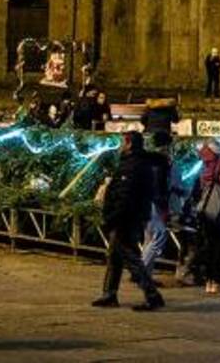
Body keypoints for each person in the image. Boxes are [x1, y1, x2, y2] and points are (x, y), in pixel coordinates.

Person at [93, 131, 166, 311]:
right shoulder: (136, 162)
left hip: (125, 217)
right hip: (130, 216)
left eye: (122, 142)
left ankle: (152, 295)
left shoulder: (133, 165)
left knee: (131, 258)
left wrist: (112, 217)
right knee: (115, 256)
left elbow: (124, 196)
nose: (119, 146)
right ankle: (109, 293)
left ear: (129, 143)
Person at [189, 142, 220, 294]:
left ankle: (209, 282)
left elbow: (196, 193)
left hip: (205, 213)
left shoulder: (205, 170)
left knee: (210, 247)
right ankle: (217, 281)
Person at [138, 129, 181, 277]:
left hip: (146, 200)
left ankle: (146, 274)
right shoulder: (162, 161)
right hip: (155, 202)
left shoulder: (149, 158)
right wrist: (163, 203)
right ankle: (141, 270)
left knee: (149, 237)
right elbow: (160, 185)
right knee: (160, 235)